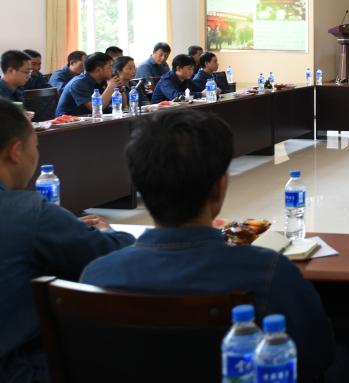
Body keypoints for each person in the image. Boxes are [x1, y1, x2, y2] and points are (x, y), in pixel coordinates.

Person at [79, 109, 335, 381]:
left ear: (139, 184)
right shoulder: (268, 273)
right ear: (218, 188)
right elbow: (317, 357)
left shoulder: (96, 276)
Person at [0, 99, 133, 380]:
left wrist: (64, 229)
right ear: (16, 152)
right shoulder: (31, 212)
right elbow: (110, 256)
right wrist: (109, 233)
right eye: (36, 147)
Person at [55, 52, 122, 117]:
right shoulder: (78, 83)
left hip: (89, 119)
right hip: (68, 122)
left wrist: (119, 88)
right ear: (98, 70)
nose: (112, 70)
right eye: (110, 67)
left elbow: (122, 105)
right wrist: (110, 87)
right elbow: (96, 109)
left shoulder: (103, 81)